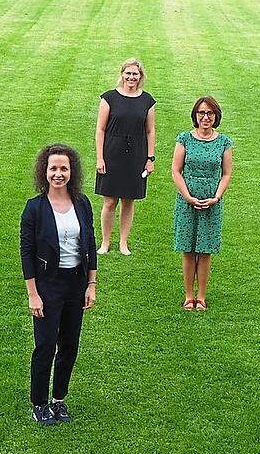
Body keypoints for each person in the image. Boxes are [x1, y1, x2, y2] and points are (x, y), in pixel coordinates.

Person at [20, 144, 97, 426]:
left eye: (64, 168)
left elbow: (89, 243)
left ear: (71, 171)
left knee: (69, 345)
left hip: (75, 284)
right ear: (45, 171)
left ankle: (59, 400)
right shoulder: (35, 208)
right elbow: (26, 252)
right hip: (47, 286)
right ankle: (39, 402)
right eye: (53, 168)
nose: (58, 173)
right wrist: (33, 294)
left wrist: (91, 284)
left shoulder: (83, 203)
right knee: (45, 345)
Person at [171, 96, 233, 311]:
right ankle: (189, 295)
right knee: (188, 249)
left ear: (216, 116)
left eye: (209, 113)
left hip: (211, 201)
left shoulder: (223, 142)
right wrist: (187, 196)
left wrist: (216, 196)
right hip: (187, 200)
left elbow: (226, 174)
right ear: (195, 116)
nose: (205, 117)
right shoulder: (184, 139)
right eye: (201, 113)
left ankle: (201, 296)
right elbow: (176, 171)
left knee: (205, 250)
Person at [94, 58, 156, 256]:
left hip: (136, 154)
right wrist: (100, 158)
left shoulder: (147, 100)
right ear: (122, 74)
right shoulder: (109, 98)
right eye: (128, 73)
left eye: (135, 74)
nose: (131, 77)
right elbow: (100, 129)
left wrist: (150, 158)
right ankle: (105, 242)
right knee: (110, 202)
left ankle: (123, 242)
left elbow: (150, 131)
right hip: (112, 153)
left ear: (140, 77)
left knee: (129, 200)